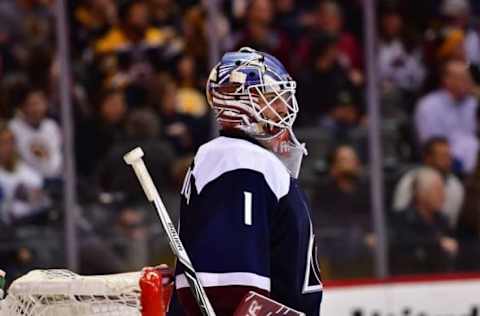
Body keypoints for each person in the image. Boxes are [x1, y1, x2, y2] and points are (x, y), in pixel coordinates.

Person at [172, 48, 322, 315]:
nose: (284, 108)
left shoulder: (245, 159)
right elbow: (229, 289)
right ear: (239, 101)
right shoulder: (240, 159)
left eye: (285, 98)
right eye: (272, 98)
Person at [414, 59, 478, 174]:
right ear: (446, 80)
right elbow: (431, 146)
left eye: (468, 78)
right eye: (462, 78)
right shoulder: (429, 106)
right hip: (446, 164)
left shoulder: (473, 103)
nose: (468, 82)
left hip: (474, 163)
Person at [390, 167, 458, 275]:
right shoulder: (401, 220)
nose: (443, 196)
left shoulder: (443, 220)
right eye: (437, 190)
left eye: (442, 190)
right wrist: (436, 244)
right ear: (421, 194)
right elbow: (403, 245)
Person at [393, 137, 464, 229]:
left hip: (439, 235)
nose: (448, 162)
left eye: (449, 157)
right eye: (442, 157)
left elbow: (449, 225)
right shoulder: (410, 180)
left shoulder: (455, 186)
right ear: (428, 158)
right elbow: (398, 217)